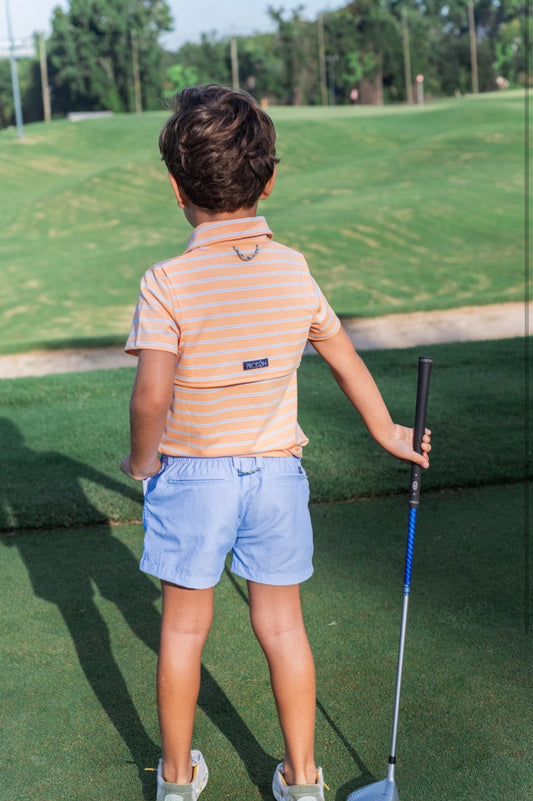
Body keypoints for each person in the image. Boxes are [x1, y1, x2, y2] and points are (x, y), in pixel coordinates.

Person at [120, 84, 431, 801]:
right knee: (283, 627)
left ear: (175, 188)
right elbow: (343, 355)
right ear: (269, 178)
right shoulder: (293, 268)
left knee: (182, 631)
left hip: (192, 476)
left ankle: (174, 778)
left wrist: (142, 460)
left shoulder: (166, 281)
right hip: (276, 477)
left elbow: (150, 395)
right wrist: (385, 429)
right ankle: (302, 776)